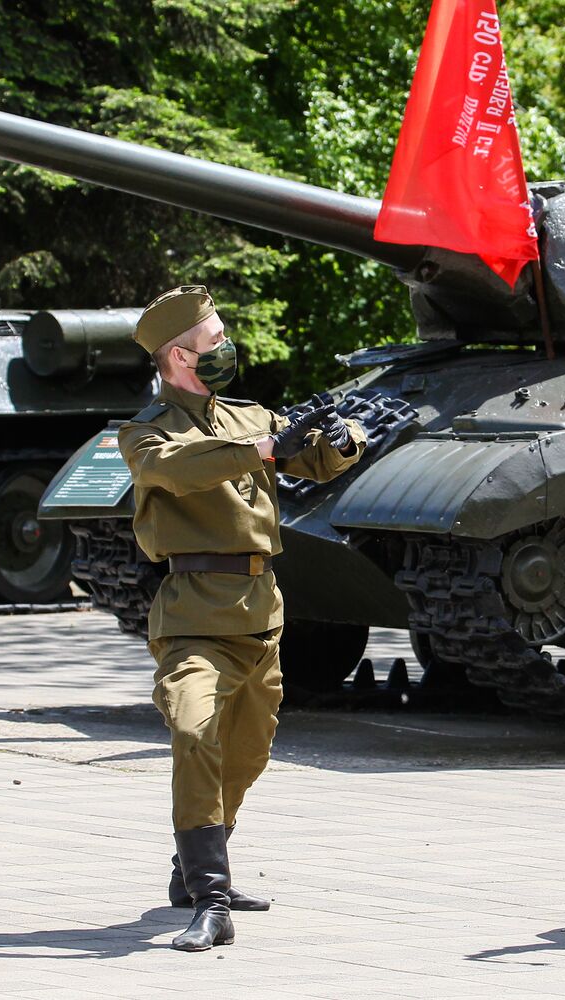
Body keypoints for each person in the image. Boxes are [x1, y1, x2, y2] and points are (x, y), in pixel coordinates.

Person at [119, 285, 366, 950]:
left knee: (249, 752)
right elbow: (174, 469)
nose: (227, 350)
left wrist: (341, 440)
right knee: (195, 730)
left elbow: (314, 457)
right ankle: (211, 897)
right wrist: (261, 449)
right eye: (214, 342)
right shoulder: (146, 432)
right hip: (194, 613)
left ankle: (192, 868)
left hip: (260, 613)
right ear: (179, 357)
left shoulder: (251, 414)